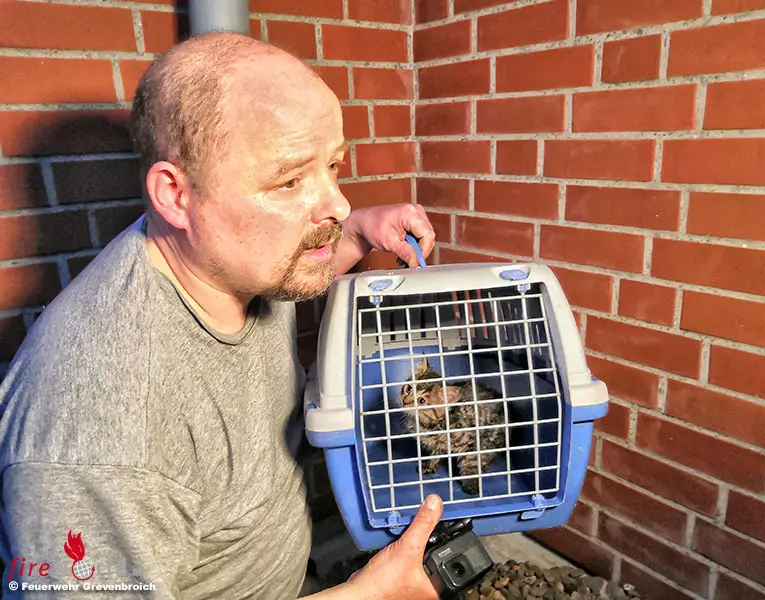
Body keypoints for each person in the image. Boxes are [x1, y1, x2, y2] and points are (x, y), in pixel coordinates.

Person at [0, 32, 443, 599]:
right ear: (175, 195)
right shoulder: (100, 427)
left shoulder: (231, 253)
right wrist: (364, 595)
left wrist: (359, 232)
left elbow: (296, 259)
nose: (337, 203)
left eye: (333, 165)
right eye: (289, 180)